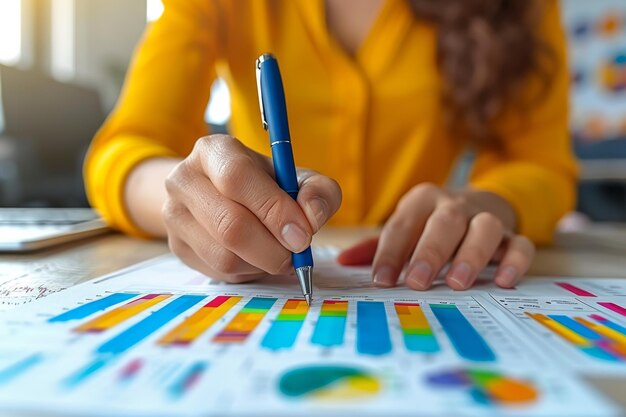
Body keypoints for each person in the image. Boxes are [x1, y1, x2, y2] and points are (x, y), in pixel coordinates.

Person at [84, 0, 577, 291]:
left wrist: (490, 203)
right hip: (269, 267)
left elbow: (540, 164)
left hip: (420, 270)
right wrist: (192, 199)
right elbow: (126, 148)